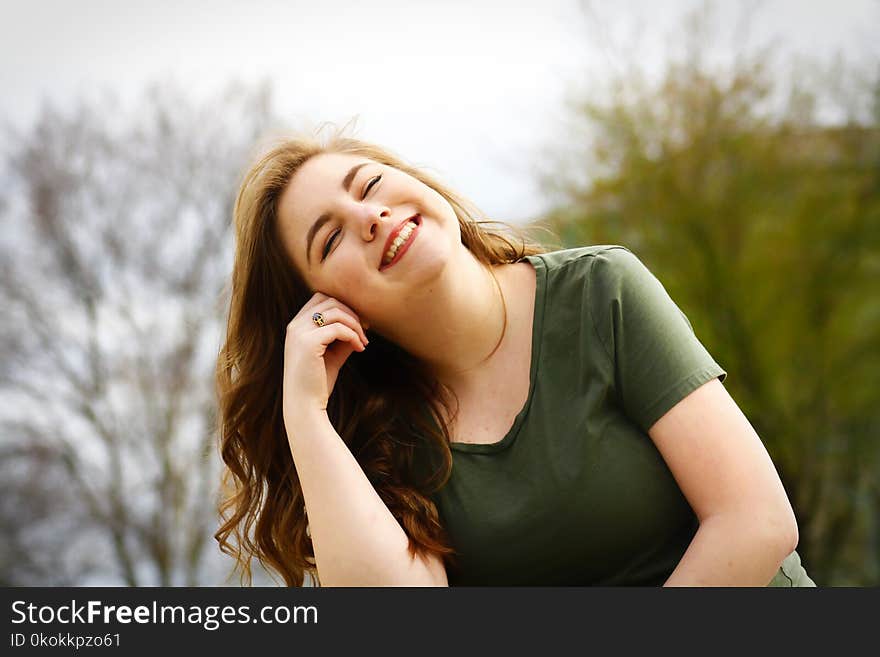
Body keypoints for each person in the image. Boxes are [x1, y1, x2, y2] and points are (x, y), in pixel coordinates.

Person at [214, 128, 815, 587]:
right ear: (325, 306)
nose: (370, 217)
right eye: (332, 237)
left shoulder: (601, 292)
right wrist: (306, 415)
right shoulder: (377, 440)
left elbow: (756, 520)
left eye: (370, 185)